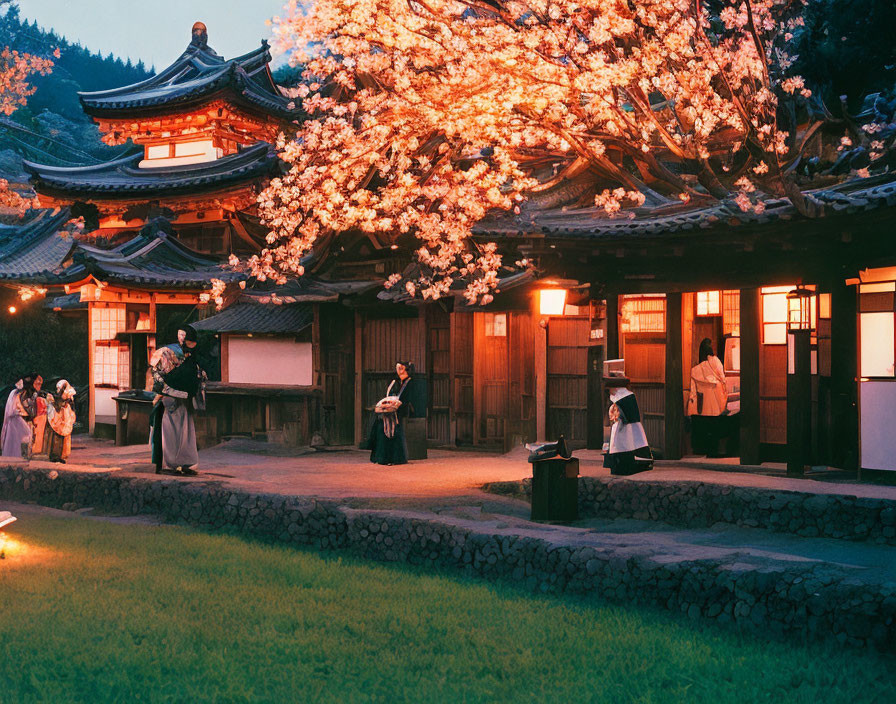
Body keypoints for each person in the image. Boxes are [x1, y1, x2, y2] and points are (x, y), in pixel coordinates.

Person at [149, 326, 206, 476]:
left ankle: (179, 464)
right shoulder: (170, 353)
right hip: (172, 396)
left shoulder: (166, 352)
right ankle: (175, 464)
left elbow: (157, 376)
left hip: (176, 394)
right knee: (176, 431)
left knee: (179, 431)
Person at [603, 370, 653, 476]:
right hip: (620, 425)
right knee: (623, 444)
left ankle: (623, 467)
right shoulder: (622, 396)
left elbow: (627, 414)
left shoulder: (626, 396)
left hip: (625, 426)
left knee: (625, 444)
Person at [366, 361, 415, 466]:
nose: (399, 370)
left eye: (401, 368)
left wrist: (399, 404)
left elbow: (409, 399)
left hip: (399, 411)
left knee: (395, 432)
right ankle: (381, 457)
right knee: (380, 427)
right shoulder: (394, 382)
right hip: (389, 411)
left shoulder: (410, 383)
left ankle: (396, 458)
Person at [687, 338, 728, 457]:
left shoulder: (695, 369)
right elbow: (723, 378)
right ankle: (715, 450)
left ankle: (702, 449)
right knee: (715, 425)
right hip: (715, 398)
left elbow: (693, 390)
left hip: (702, 401)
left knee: (704, 426)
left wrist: (691, 405)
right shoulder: (715, 361)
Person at [1, 373, 37, 459]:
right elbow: (11, 408)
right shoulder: (14, 393)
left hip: (21, 419)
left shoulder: (24, 394)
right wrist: (17, 412)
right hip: (15, 420)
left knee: (25, 437)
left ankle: (22, 456)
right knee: (21, 437)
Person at [45, 380, 77, 463]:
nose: (58, 390)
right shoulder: (57, 396)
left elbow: (67, 404)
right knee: (56, 437)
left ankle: (62, 455)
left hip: (65, 415)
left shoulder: (68, 394)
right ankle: (55, 455)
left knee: (64, 437)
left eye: (59, 388)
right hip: (59, 416)